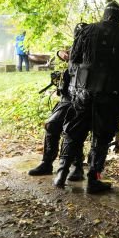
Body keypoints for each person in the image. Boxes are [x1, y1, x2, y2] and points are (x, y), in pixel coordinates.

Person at [53, 1, 119, 193]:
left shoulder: (86, 31)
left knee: (73, 133)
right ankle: (93, 180)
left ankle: (61, 174)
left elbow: (73, 60)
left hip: (82, 93)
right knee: (101, 138)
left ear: (105, 15)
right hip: (109, 96)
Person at [27, 49, 85, 180]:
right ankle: (47, 163)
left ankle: (77, 166)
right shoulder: (79, 43)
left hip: (87, 99)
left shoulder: (98, 47)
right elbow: (62, 53)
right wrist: (60, 53)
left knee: (74, 128)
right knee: (51, 125)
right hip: (69, 97)